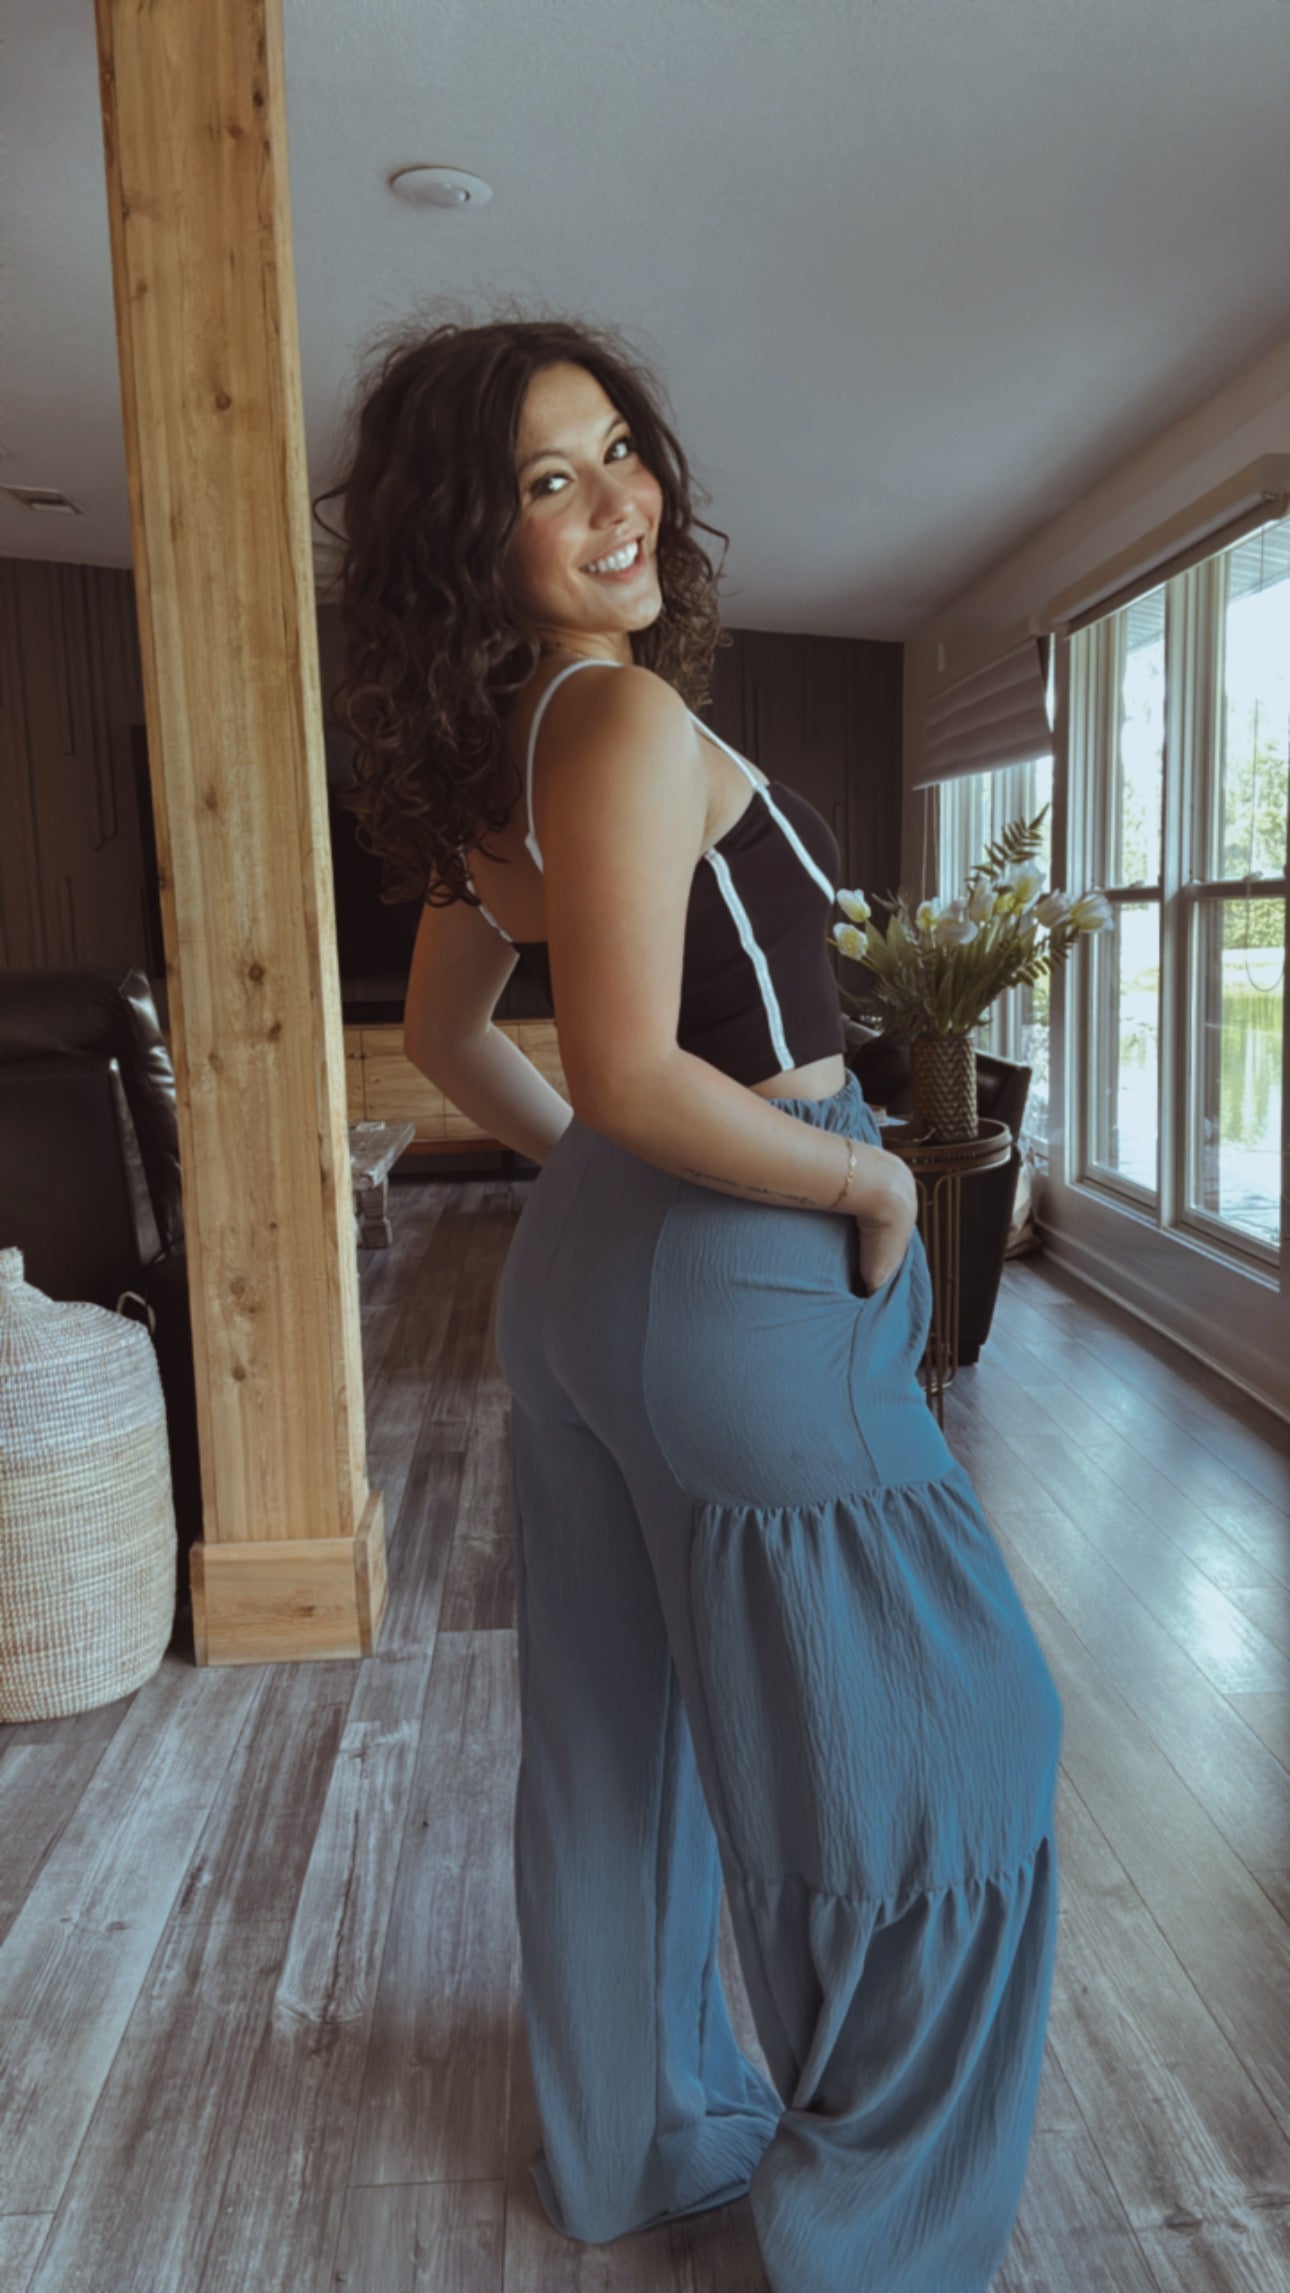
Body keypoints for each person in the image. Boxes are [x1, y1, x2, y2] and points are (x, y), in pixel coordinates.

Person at [326, 309, 1064, 2293]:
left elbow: (449, 1037)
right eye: (544, 481)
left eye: (619, 449)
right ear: (472, 542)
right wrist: (870, 1178)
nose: (613, 501)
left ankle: (635, 2140)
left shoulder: (510, 753)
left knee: (611, 1738)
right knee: (948, 1742)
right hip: (743, 1262)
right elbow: (639, 1066)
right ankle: (874, 2235)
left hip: (596, 1284)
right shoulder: (621, 722)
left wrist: (603, 1184)